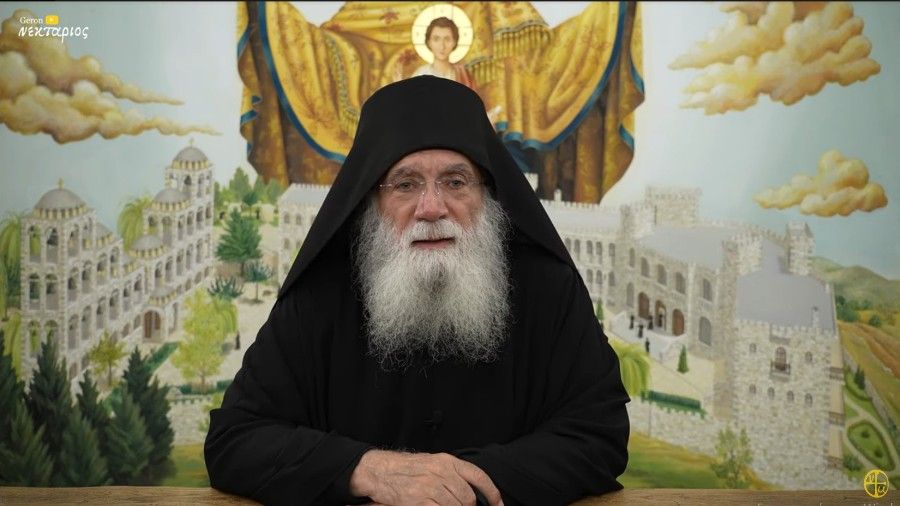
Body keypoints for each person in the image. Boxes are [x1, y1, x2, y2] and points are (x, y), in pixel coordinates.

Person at [205, 76, 630, 506]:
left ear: (487, 193)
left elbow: (599, 435)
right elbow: (236, 439)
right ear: (370, 200)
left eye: (455, 182)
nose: (431, 208)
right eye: (405, 184)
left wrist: (456, 484)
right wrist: (367, 470)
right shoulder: (320, 296)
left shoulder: (548, 289)